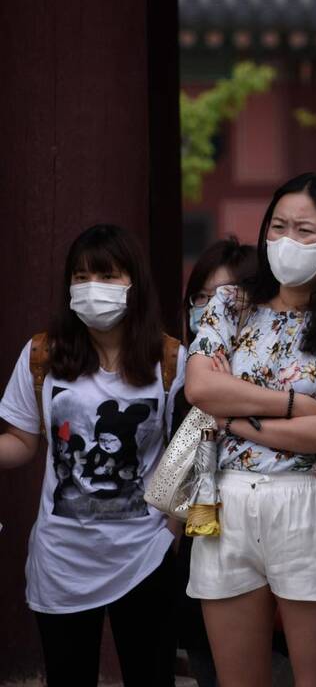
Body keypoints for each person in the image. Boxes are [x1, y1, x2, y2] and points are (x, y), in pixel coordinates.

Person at [184, 172, 316, 686]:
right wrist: (297, 404)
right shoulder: (231, 303)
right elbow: (200, 390)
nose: (286, 242)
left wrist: (233, 418)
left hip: (312, 502)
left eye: (304, 231)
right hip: (223, 499)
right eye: (277, 226)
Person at [0, 224, 185, 686]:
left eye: (106, 276)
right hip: (62, 559)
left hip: (144, 554)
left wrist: (174, 528)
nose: (91, 289)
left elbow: (190, 447)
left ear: (134, 284)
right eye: (80, 278)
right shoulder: (43, 355)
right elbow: (22, 442)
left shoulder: (171, 360)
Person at [173, 237, 260, 687]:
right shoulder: (186, 376)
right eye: (201, 297)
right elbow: (173, 480)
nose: (211, 308)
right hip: (204, 539)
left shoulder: (281, 373)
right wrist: (209, 398)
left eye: (226, 296)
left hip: (267, 539)